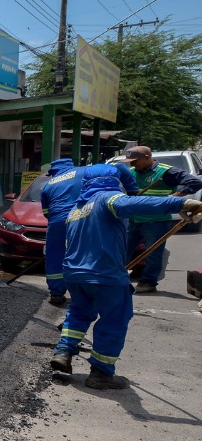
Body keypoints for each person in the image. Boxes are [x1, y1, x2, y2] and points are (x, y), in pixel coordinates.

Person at [50, 165, 202, 389]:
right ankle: (101, 374)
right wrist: (180, 202)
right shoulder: (107, 199)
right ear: (112, 180)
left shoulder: (77, 209)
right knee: (114, 320)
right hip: (105, 275)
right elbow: (134, 204)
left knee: (79, 312)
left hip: (75, 274)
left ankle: (63, 351)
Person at [40, 159, 139, 305]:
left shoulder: (48, 184)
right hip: (87, 214)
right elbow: (119, 167)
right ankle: (97, 288)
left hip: (58, 220)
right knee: (94, 251)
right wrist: (132, 190)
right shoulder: (87, 170)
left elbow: (47, 213)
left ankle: (56, 293)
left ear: (53, 172)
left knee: (55, 255)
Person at [123, 146, 202, 293]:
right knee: (122, 250)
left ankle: (148, 282)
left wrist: (174, 198)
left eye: (135, 161)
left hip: (156, 220)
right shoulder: (131, 172)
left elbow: (195, 182)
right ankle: (119, 280)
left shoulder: (166, 172)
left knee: (153, 253)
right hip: (133, 219)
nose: (132, 164)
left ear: (147, 158)